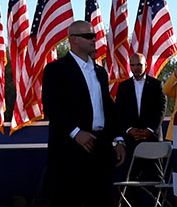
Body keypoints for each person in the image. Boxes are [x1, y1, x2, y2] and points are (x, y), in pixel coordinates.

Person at [41, 20, 126, 207]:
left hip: (100, 148)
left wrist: (118, 139)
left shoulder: (100, 72)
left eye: (94, 35)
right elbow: (51, 107)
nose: (94, 39)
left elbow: (107, 108)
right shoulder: (56, 69)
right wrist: (76, 132)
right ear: (73, 40)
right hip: (69, 149)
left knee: (101, 199)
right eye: (88, 36)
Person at [113, 53, 166, 162]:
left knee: (155, 176)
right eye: (133, 65)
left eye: (139, 65)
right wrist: (129, 130)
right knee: (131, 175)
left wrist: (150, 130)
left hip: (152, 139)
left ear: (146, 65)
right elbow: (119, 111)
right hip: (130, 139)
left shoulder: (156, 85)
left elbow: (161, 109)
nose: (136, 68)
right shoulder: (123, 86)